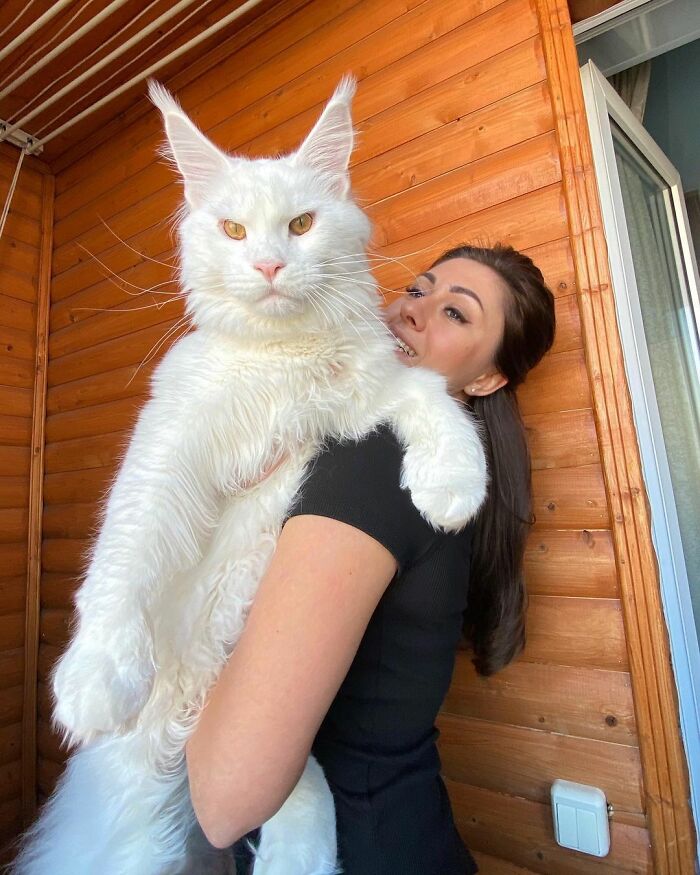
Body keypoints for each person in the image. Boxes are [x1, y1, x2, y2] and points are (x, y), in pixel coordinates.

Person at [185, 243, 556, 874]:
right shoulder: (397, 462)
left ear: (488, 379)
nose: (413, 312)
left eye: (457, 314)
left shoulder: (380, 458)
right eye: (417, 290)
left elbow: (226, 799)